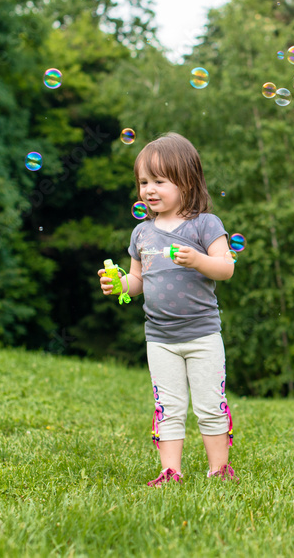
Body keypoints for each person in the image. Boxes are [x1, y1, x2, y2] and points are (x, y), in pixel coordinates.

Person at [100, 132, 237, 487]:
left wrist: (199, 260)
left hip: (203, 335)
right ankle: (170, 470)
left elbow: (226, 268)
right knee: (168, 406)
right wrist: (119, 285)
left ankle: (219, 469)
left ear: (187, 182)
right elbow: (137, 281)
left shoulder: (205, 224)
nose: (149, 189)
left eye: (159, 181)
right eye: (143, 182)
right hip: (159, 338)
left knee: (209, 404)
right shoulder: (141, 233)